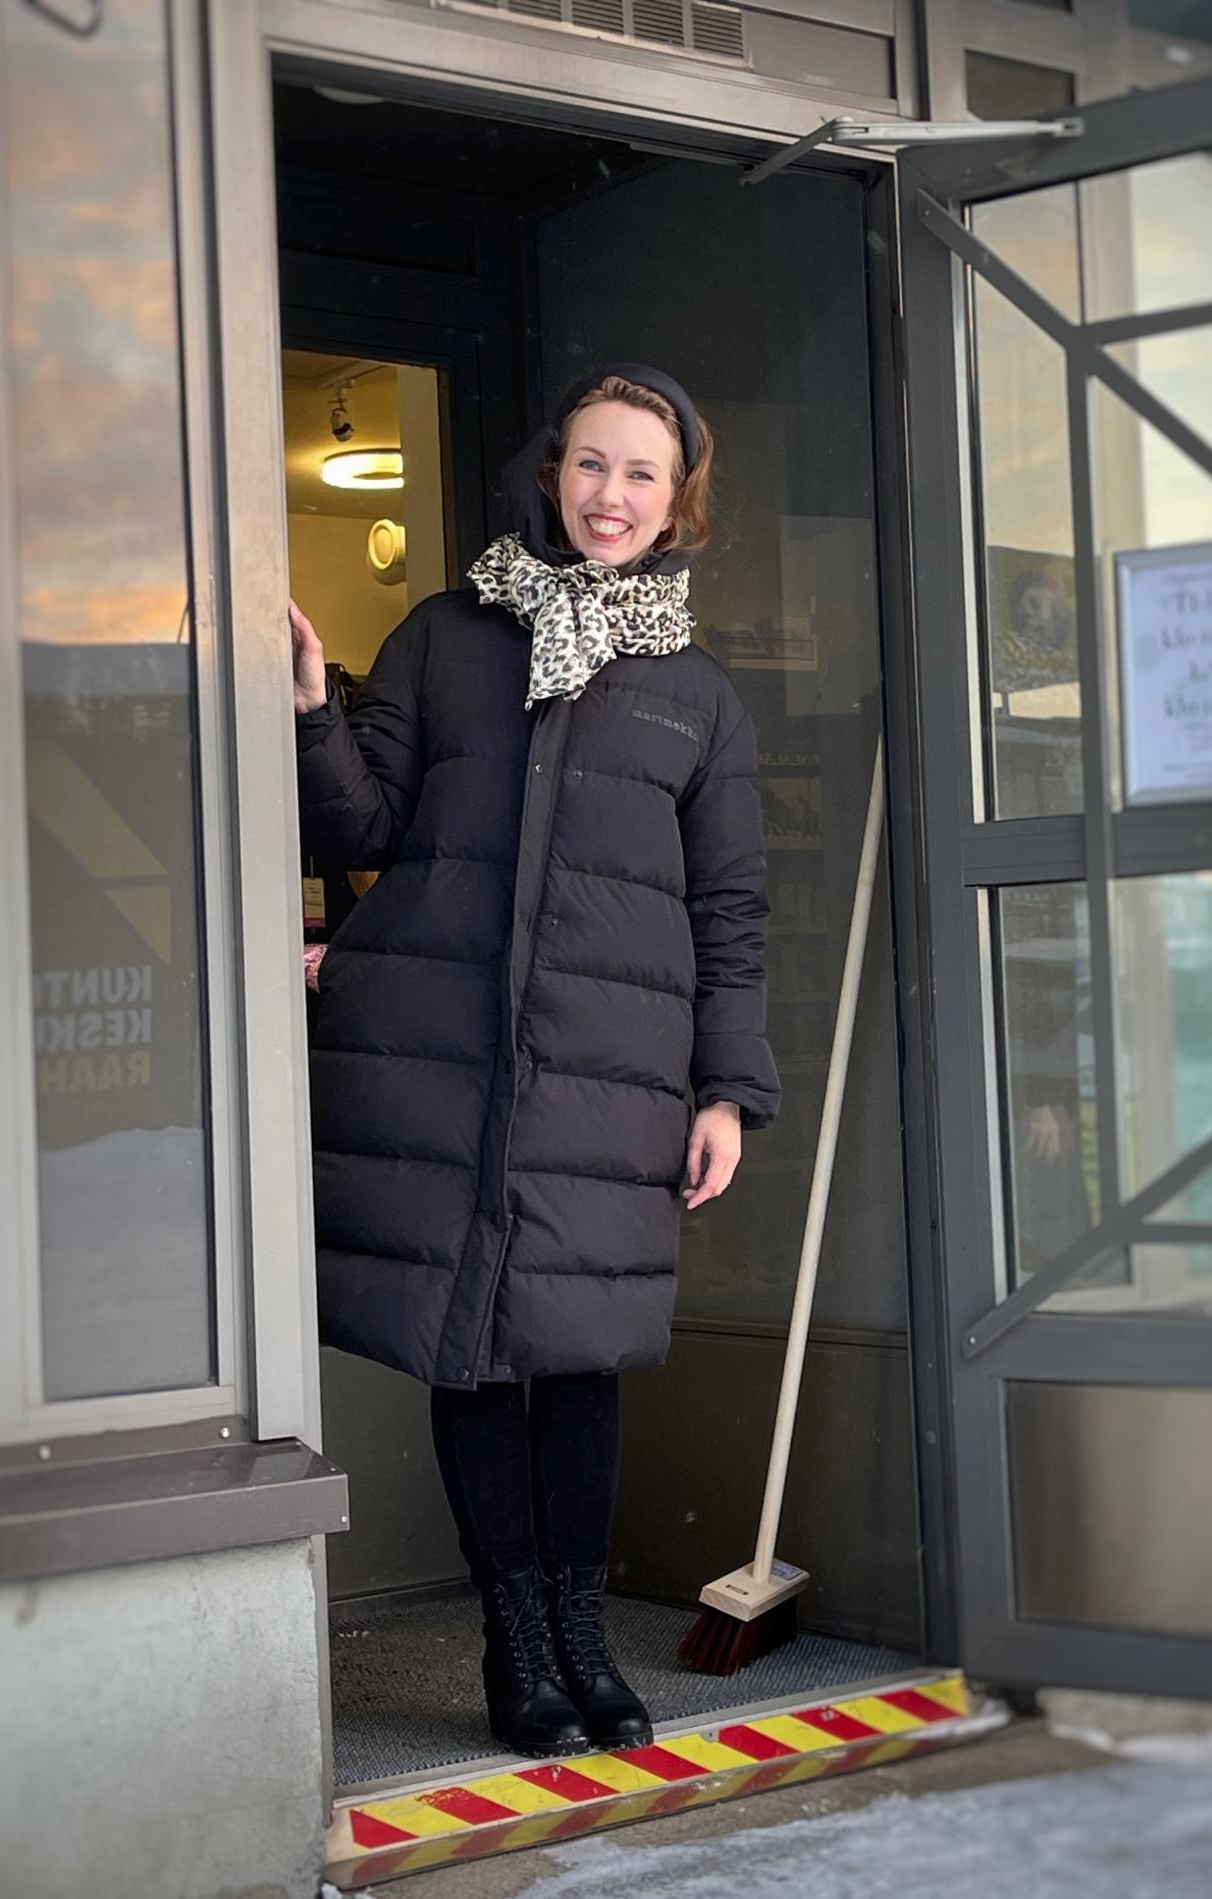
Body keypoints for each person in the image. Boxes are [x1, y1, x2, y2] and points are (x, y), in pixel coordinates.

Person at [289, 364, 780, 1761]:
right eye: (588, 464)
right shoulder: (448, 637)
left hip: (607, 1072)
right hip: (445, 1061)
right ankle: (518, 1640)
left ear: (676, 500)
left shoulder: (697, 697)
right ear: (546, 470)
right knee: (473, 1361)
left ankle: (578, 1633)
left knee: (577, 1364)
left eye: (639, 473)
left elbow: (730, 910)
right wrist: (317, 707)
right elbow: (357, 825)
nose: (608, 495)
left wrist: (727, 1089)